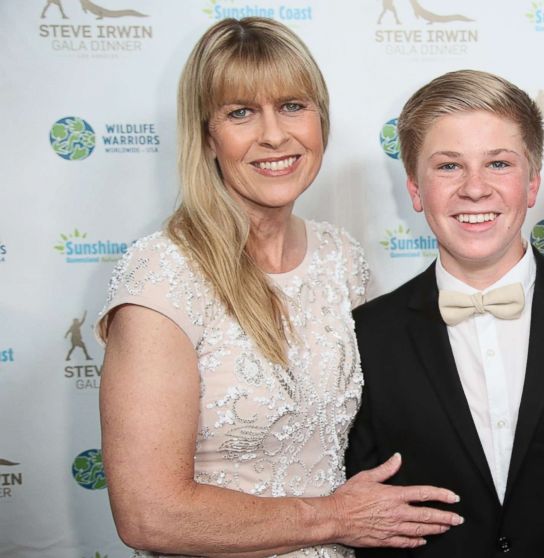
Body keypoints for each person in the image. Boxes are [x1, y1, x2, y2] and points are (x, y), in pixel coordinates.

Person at [95, 18, 466, 557]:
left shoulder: (341, 259)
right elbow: (149, 515)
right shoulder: (164, 275)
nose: (274, 134)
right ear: (206, 135)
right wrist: (333, 518)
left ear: (320, 120)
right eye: (240, 112)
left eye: (293, 105)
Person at [345, 70, 544, 557]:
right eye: (449, 166)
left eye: (498, 163)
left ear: (533, 183)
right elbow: (372, 523)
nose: (475, 189)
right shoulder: (370, 335)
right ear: (414, 190)